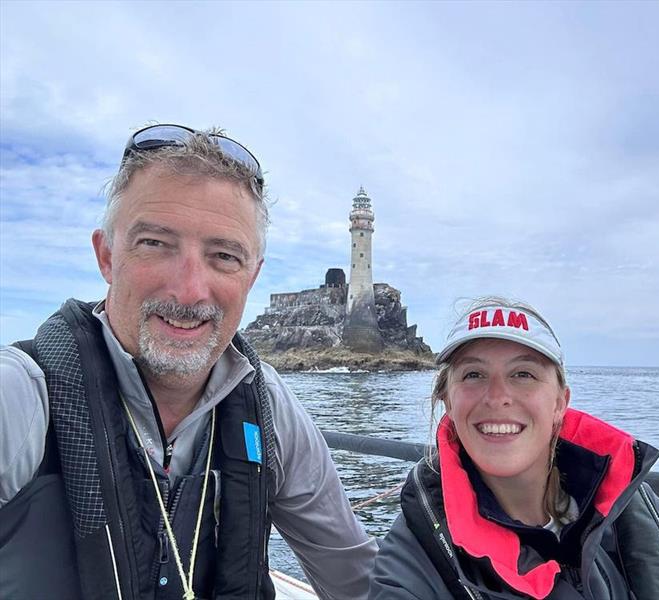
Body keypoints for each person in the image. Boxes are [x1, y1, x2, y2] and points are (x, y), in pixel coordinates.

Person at [0, 124, 377, 600]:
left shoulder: (269, 408)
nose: (190, 290)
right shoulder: (18, 398)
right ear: (106, 256)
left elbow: (359, 581)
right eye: (156, 244)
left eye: (223, 256)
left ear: (253, 275)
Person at [370, 297, 659, 599]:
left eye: (523, 374)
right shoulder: (412, 560)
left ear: (559, 403)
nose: (497, 397)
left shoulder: (635, 510)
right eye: (473, 375)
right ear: (448, 400)